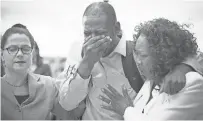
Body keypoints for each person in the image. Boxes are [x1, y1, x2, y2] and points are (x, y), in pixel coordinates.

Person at [58, 2, 202, 120]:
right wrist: (86, 64)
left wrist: (184, 67)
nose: (93, 39)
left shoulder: (137, 52)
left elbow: (182, 50)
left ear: (116, 28)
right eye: (87, 33)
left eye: (101, 33)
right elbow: (67, 103)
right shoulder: (78, 52)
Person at [99, 18, 203, 120]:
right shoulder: (151, 81)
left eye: (143, 56)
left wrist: (126, 109)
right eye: (136, 53)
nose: (138, 61)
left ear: (163, 55)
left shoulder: (191, 83)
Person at [0, 24, 82, 120]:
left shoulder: (49, 86)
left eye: (25, 49)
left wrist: (83, 73)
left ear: (32, 53)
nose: (20, 54)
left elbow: (71, 115)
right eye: (12, 49)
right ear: (2, 55)